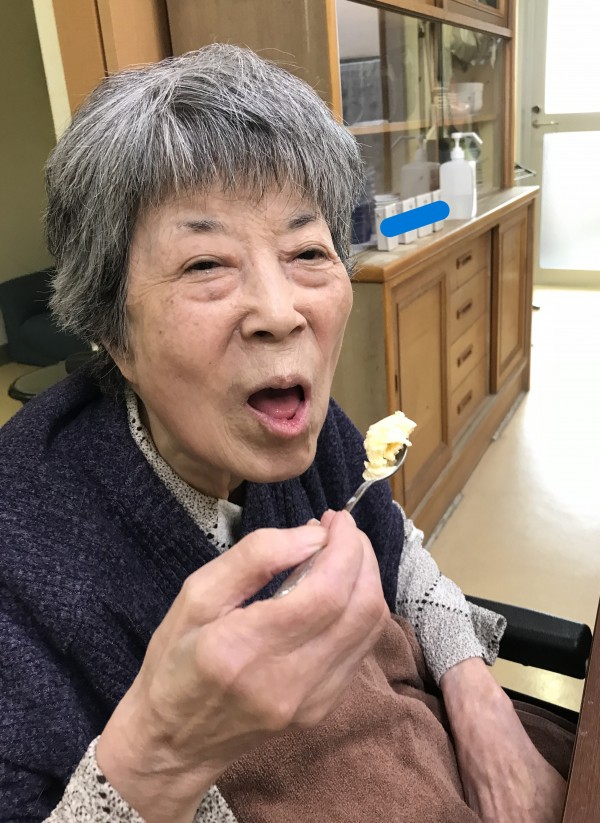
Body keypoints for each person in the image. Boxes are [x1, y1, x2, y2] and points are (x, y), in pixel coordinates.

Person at [0, 45, 570, 823]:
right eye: (206, 263)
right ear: (110, 328)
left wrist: (477, 697)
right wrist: (160, 751)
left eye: (306, 251)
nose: (280, 311)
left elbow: (398, 552)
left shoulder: (307, 430)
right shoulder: (24, 557)